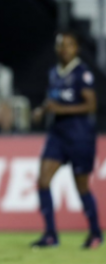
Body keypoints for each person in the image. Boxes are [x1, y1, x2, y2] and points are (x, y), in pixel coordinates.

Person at [31, 32, 102, 249]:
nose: (65, 49)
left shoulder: (82, 73)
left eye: (70, 45)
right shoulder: (53, 72)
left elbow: (91, 106)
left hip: (80, 136)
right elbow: (52, 98)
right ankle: (51, 234)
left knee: (81, 187)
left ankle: (95, 233)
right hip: (58, 134)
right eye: (61, 45)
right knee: (43, 180)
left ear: (77, 48)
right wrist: (42, 110)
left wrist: (61, 109)